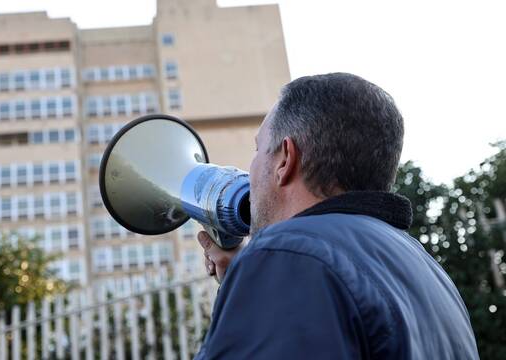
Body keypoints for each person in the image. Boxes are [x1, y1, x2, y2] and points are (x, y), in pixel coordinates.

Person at [194, 73, 479, 359]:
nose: (251, 167)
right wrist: (251, 294)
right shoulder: (429, 273)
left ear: (285, 159)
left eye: (258, 149)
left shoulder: (289, 256)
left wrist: (265, 269)